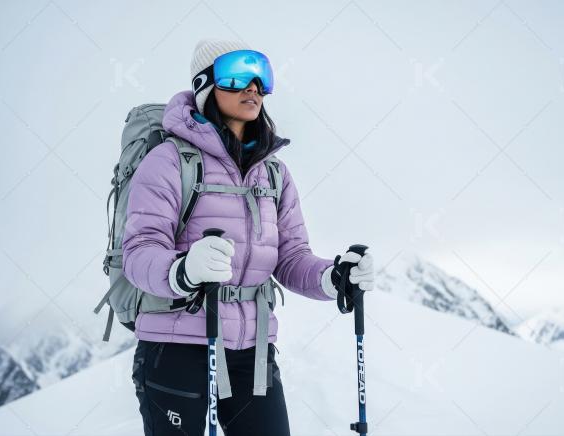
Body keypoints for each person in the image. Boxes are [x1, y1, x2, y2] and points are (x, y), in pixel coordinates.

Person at [122, 38, 375, 436]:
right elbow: (138, 252)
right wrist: (183, 270)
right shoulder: (169, 161)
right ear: (206, 83)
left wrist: (333, 277)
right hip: (178, 346)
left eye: (262, 76)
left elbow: (290, 257)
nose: (253, 87)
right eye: (238, 74)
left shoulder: (273, 173)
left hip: (252, 352)